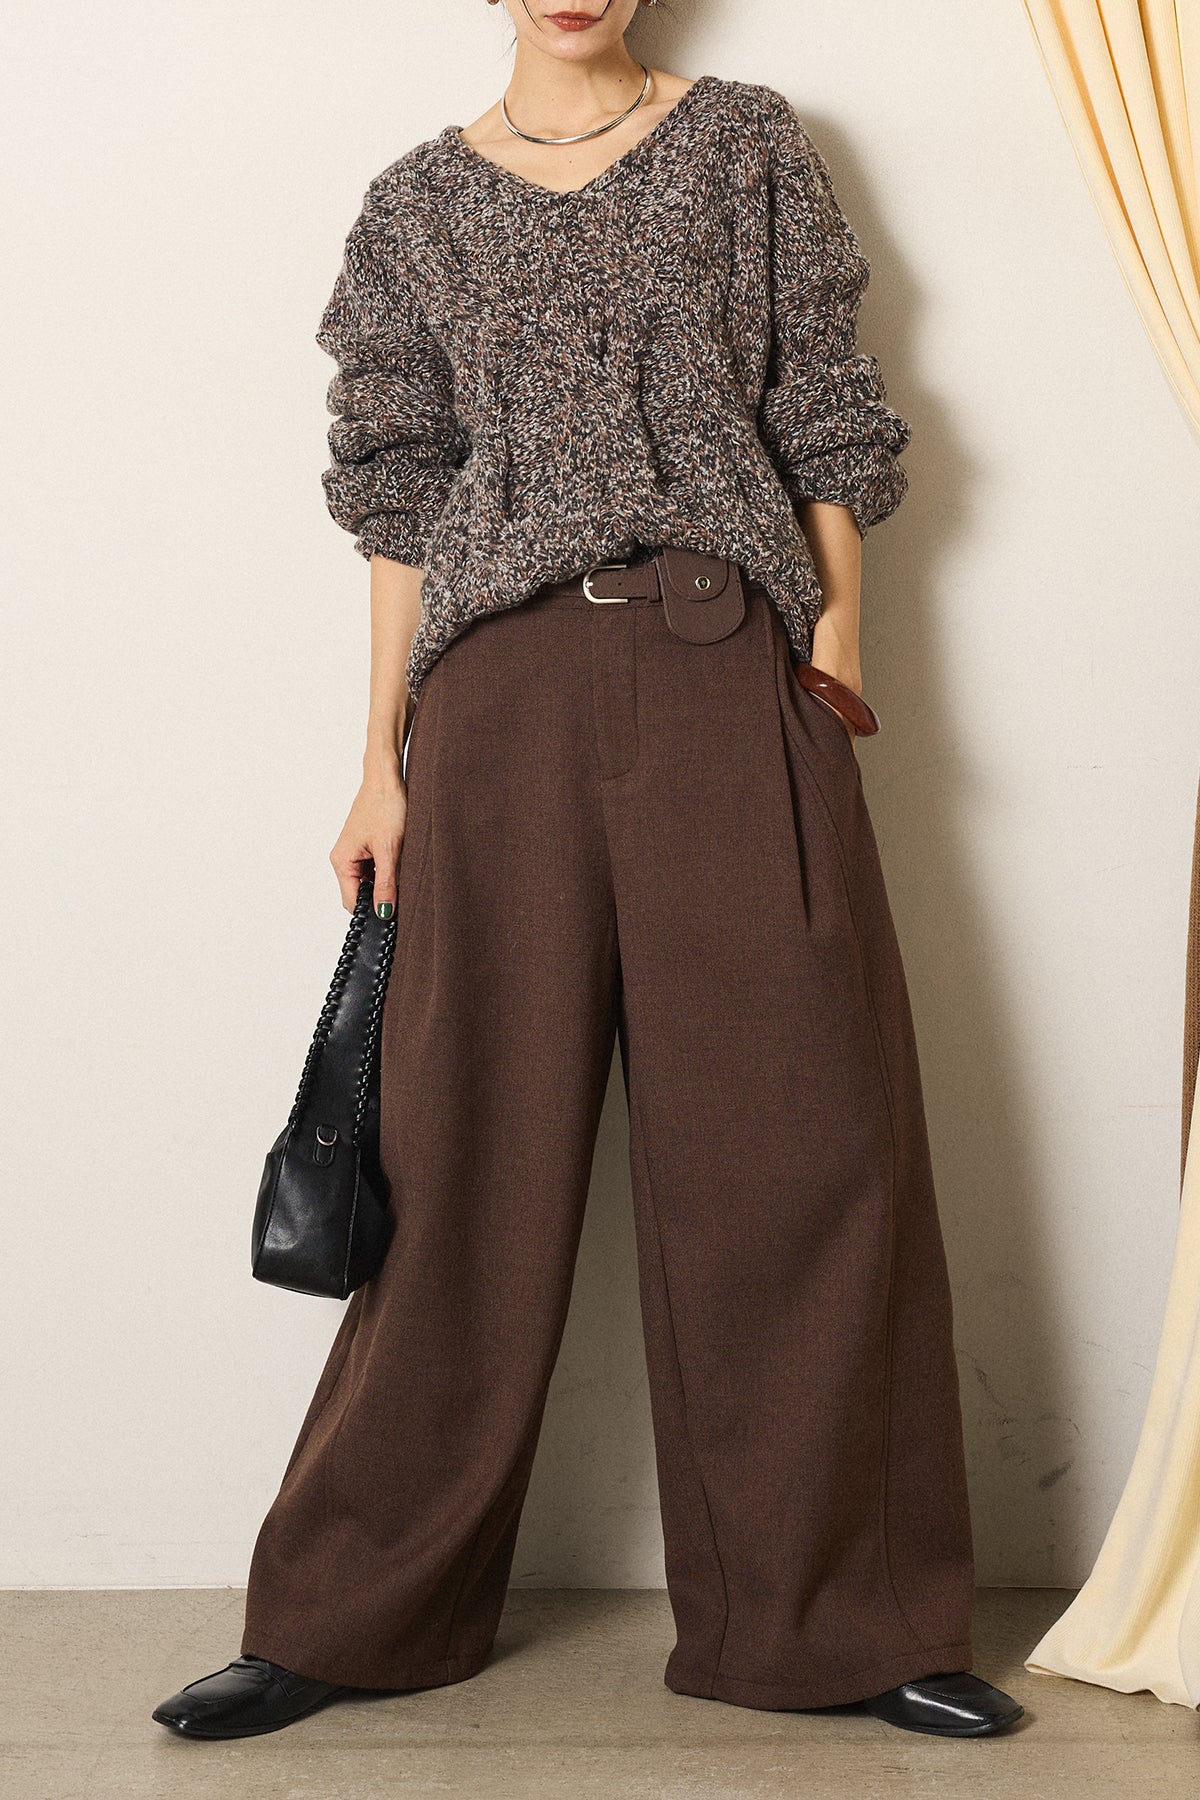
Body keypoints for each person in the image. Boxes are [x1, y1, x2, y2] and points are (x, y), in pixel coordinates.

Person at [153, 0, 1023, 1744]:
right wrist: (380, 758)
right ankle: (350, 1616)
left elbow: (822, 406)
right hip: (499, 699)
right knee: (456, 1150)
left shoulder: (745, 142)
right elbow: (400, 499)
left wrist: (837, 653)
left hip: (728, 666)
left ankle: (838, 1625)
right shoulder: (416, 204)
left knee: (801, 1142)